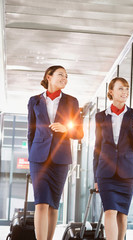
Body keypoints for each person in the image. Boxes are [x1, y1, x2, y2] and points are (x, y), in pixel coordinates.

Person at [27, 65, 84, 240]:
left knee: (53, 204)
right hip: (38, 158)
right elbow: (31, 131)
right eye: (61, 75)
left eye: (66, 76)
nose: (64, 79)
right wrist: (32, 157)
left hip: (61, 159)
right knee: (41, 203)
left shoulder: (72, 101)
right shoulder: (34, 101)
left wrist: (66, 128)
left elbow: (79, 133)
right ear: (49, 77)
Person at [93, 77, 133, 240]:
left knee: (122, 215)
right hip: (105, 174)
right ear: (111, 91)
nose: (125, 92)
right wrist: (95, 177)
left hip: (127, 173)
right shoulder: (101, 116)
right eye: (121, 88)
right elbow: (97, 148)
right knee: (109, 210)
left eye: (127, 89)